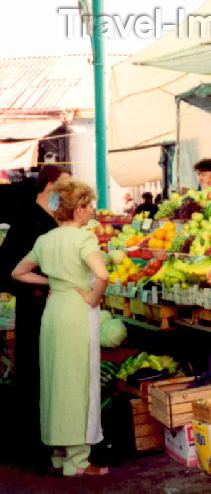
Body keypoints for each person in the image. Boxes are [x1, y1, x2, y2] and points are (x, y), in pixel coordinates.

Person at [11, 180, 110, 477]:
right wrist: (93, 296)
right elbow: (102, 274)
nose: (91, 210)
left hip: (53, 315)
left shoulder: (46, 240)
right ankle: (78, 461)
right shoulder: (84, 239)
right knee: (79, 383)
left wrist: (52, 283)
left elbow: (18, 272)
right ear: (78, 210)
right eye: (89, 205)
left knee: (55, 381)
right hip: (77, 314)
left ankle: (58, 455)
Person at [0, 165, 69, 471]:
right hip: (34, 310)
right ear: (49, 186)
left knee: (49, 376)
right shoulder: (28, 220)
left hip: (54, 310)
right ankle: (32, 451)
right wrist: (45, 285)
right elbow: (5, 271)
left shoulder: (54, 220)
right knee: (33, 375)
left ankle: (47, 446)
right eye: (64, 185)